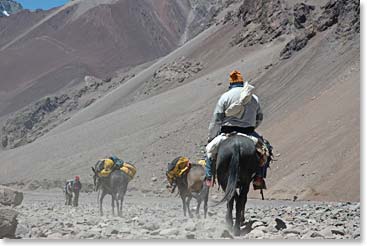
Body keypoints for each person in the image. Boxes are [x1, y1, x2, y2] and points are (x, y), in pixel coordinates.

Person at [205, 70, 267, 189]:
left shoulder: (225, 97)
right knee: (265, 150)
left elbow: (217, 120)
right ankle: (259, 177)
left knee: (209, 152)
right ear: (242, 82)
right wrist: (252, 127)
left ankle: (208, 178)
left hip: (227, 133)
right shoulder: (253, 97)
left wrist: (211, 137)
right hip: (249, 132)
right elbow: (259, 117)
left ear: (230, 83)